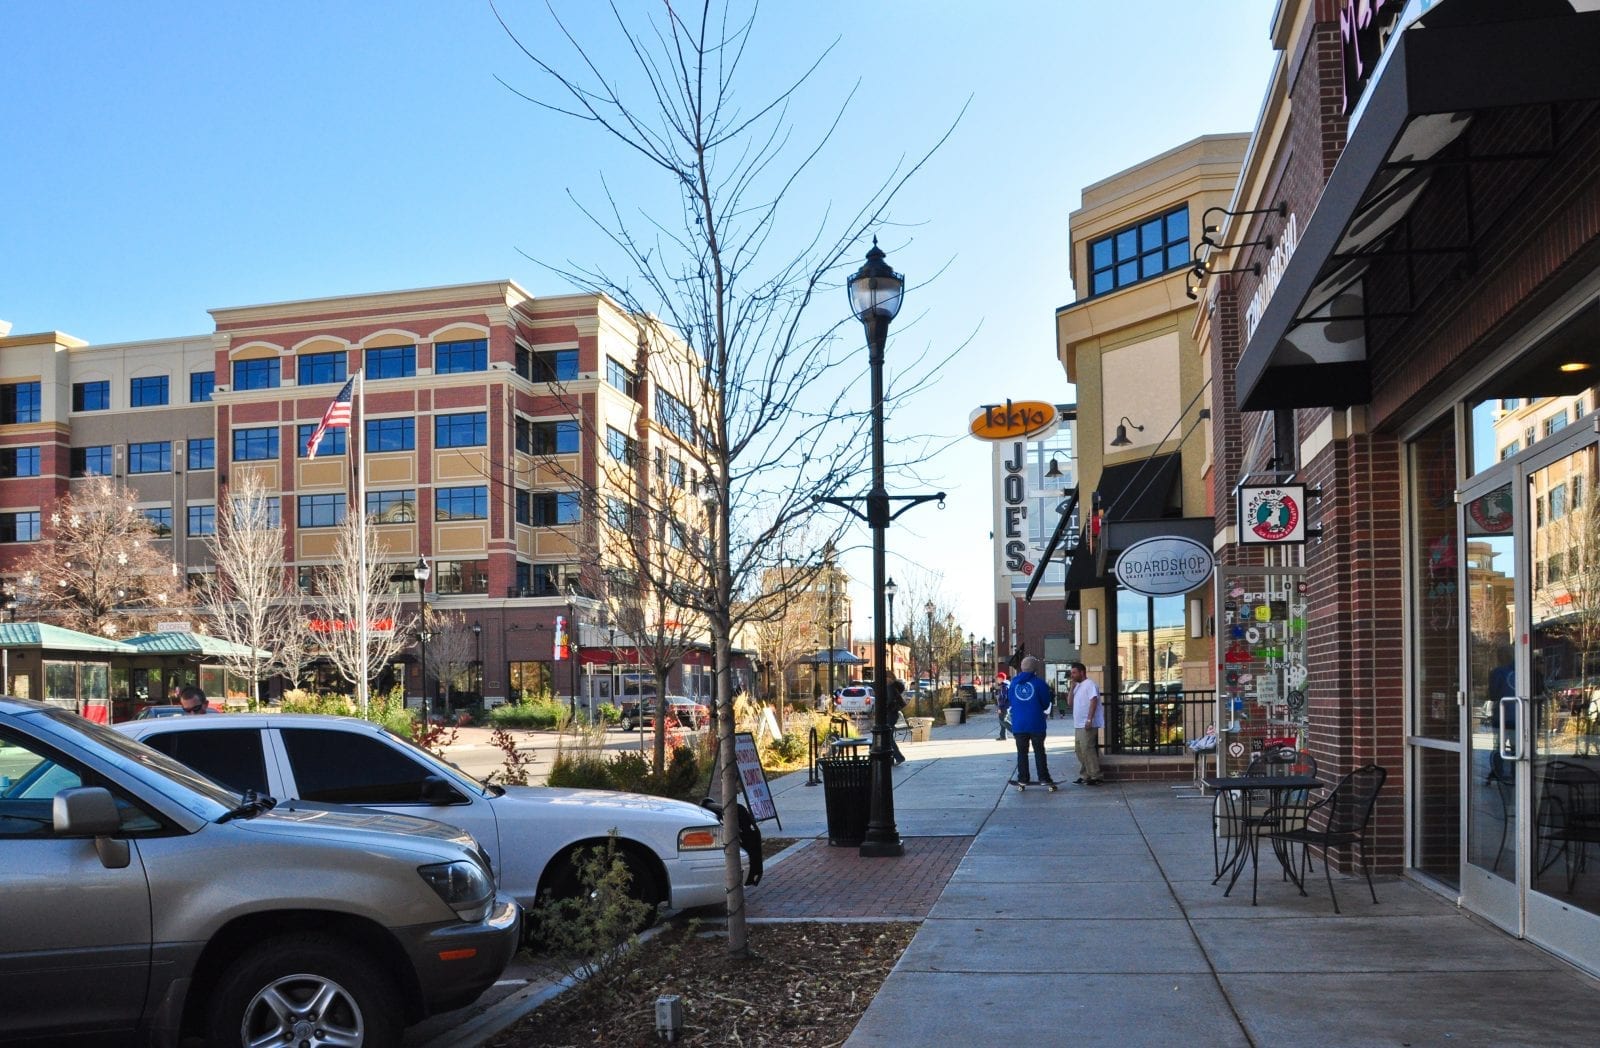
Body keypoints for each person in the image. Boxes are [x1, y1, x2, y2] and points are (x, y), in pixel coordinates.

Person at [1006, 656, 1055, 786]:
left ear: (1022, 667)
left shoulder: (1014, 683)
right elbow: (1045, 703)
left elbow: (1010, 700)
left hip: (1019, 724)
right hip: (1036, 723)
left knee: (1022, 753)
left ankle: (1023, 778)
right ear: (1035, 669)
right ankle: (1044, 778)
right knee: (1039, 751)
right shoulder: (1040, 683)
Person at [1066, 662, 1103, 785]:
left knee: (1087, 749)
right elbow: (1069, 703)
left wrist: (1089, 719)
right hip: (1078, 724)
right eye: (1071, 673)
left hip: (1087, 724)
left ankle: (1095, 776)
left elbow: (1093, 701)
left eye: (1074, 672)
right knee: (1079, 750)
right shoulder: (1077, 686)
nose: (1072, 675)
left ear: (1082, 672)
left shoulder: (1090, 684)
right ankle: (1086, 774)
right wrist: (1072, 687)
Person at [994, 673, 1011, 741]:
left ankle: (1016, 732)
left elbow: (1003, 697)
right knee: (1002, 720)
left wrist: (1000, 708)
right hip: (1006, 706)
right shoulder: (1006, 685)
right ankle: (1003, 736)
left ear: (1001, 678)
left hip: (1004, 706)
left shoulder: (1004, 686)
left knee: (1003, 721)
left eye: (997, 678)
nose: (997, 680)